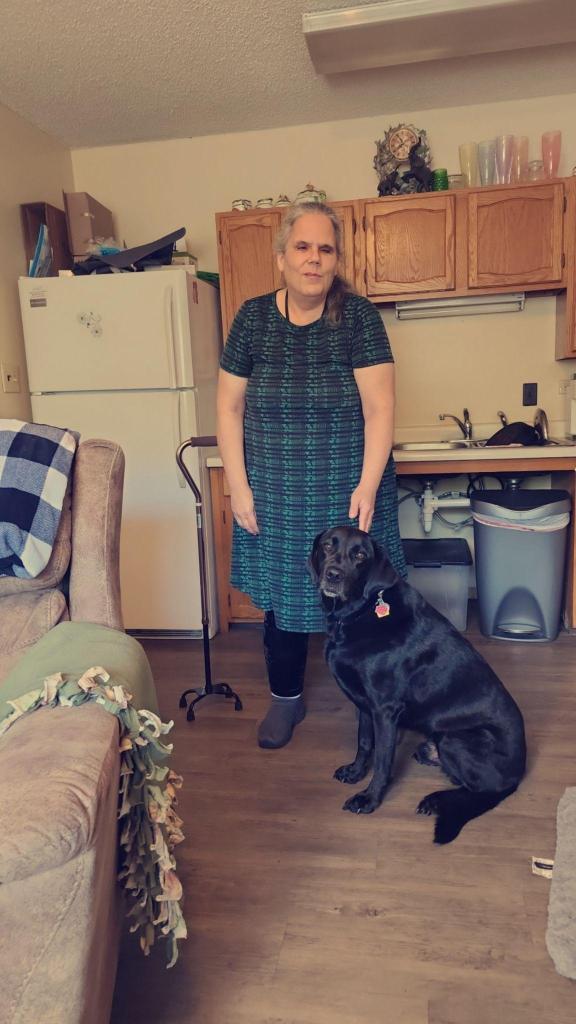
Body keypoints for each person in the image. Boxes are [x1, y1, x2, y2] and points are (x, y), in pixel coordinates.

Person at [216, 201, 406, 749]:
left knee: (369, 599)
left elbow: (380, 408)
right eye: (303, 247)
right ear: (281, 257)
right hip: (273, 490)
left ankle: (377, 702)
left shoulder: (359, 318)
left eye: (325, 249)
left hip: (348, 489)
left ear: (336, 260)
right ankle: (286, 700)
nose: (314, 259)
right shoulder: (252, 319)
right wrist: (238, 486)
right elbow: (228, 407)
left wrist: (368, 485)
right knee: (285, 598)